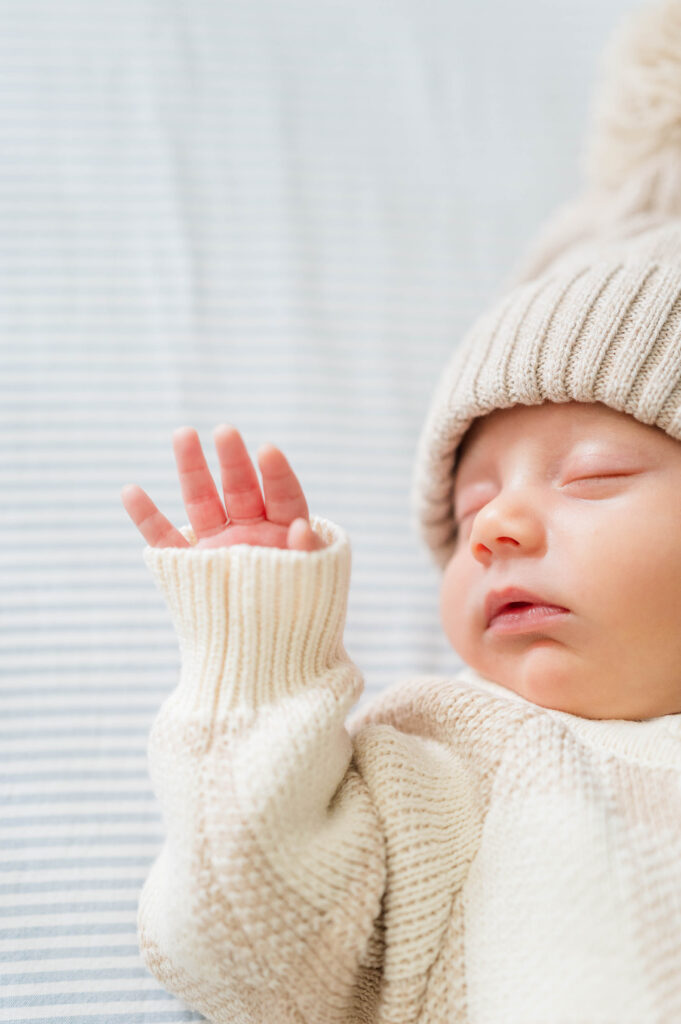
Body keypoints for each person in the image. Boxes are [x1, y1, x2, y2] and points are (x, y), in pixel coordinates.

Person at [120, 1, 681, 1020]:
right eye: (467, 514)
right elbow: (236, 941)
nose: (496, 528)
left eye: (593, 474)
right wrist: (257, 658)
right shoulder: (451, 759)